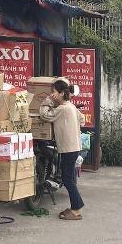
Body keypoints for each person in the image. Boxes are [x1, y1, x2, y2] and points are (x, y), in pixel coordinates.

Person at [39, 78, 85, 221]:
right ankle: (76, 206)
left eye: (53, 92)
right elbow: (82, 119)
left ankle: (76, 209)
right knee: (69, 178)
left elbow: (44, 115)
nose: (52, 94)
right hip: (73, 147)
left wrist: (48, 100)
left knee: (67, 179)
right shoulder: (70, 106)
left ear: (61, 93)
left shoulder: (63, 108)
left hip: (69, 149)